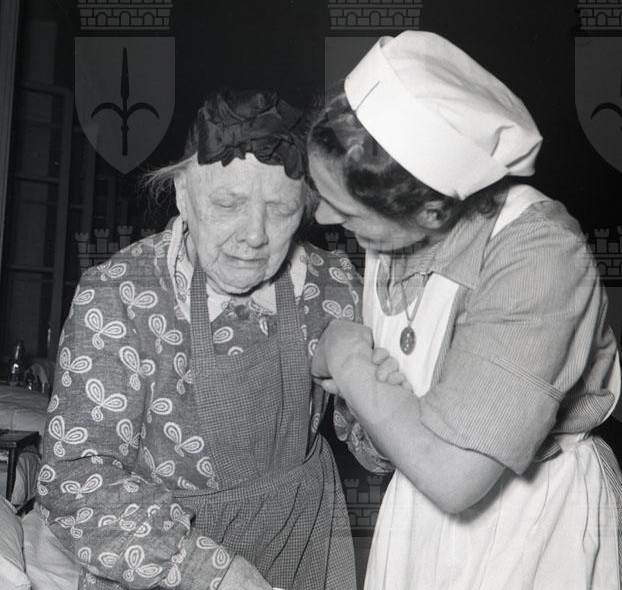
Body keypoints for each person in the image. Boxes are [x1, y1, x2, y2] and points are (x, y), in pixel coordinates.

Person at [307, 31, 622, 589]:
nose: (325, 219)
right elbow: (387, 443)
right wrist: (382, 409)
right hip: (416, 512)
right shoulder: (391, 232)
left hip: (529, 523)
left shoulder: (540, 255)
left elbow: (454, 475)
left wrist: (349, 361)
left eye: (345, 208)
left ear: (431, 210)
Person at [35, 89, 358, 590]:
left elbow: (373, 444)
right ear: (183, 194)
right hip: (167, 562)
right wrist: (211, 572)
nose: (255, 235)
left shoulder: (331, 284)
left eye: (281, 209)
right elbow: (73, 481)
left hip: (305, 545)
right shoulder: (119, 295)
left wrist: (382, 389)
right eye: (228, 204)